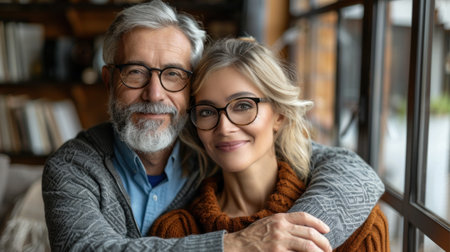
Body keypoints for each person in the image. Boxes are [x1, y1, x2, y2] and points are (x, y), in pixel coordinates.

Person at [42, 1, 385, 251]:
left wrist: (298, 237)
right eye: (135, 71)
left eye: (173, 74)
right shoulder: (72, 168)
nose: (154, 93)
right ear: (108, 80)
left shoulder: (208, 143)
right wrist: (236, 245)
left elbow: (354, 174)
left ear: (191, 88)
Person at [149, 37, 390, 252]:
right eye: (206, 111)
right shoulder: (176, 231)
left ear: (279, 115)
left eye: (243, 106)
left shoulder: (359, 226)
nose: (224, 127)